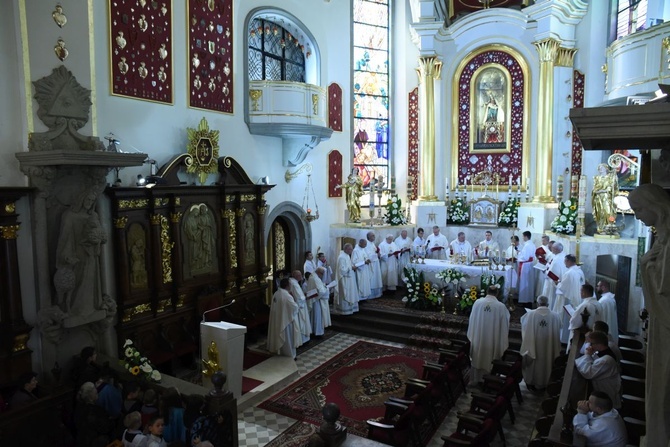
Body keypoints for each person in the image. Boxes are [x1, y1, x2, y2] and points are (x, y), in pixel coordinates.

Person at [628, 183, 670, 446]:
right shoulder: (663, 238)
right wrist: (646, 265)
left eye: (639, 209)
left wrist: (646, 266)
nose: (637, 216)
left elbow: (663, 291)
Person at [55, 190, 107, 319]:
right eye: (87, 200)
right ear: (81, 199)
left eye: (92, 201)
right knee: (78, 281)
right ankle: (74, 308)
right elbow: (65, 238)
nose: (89, 203)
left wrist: (98, 239)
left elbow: (101, 234)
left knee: (90, 280)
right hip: (77, 254)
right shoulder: (69, 215)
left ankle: (91, 306)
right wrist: (66, 256)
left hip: (92, 254)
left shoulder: (93, 215)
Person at [467, 285, 510, 384]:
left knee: (478, 356)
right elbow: (505, 325)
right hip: (492, 341)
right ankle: (489, 380)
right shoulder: (500, 307)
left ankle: (476, 379)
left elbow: (472, 320)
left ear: (487, 291)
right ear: (497, 294)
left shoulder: (477, 303)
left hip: (478, 338)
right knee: (490, 358)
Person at [520, 296, 562, 391]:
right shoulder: (555, 316)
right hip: (549, 347)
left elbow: (523, 324)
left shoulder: (530, 314)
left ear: (538, 303)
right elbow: (560, 326)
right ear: (548, 304)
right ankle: (545, 383)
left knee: (533, 361)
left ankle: (532, 382)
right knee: (547, 363)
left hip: (534, 347)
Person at [573, 331, 622, 409]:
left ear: (598, 344)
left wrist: (587, 355)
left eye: (591, 343)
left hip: (606, 393)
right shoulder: (602, 352)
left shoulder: (606, 360)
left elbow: (588, 373)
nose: (590, 346)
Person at [267, 278, 301, 358]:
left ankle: (280, 351)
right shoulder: (287, 296)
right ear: (287, 286)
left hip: (278, 319)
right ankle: (290, 354)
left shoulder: (276, 293)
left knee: (280, 335)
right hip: (286, 322)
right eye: (290, 284)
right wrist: (297, 303)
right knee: (288, 338)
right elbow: (295, 307)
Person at [554, 254, 585, 343]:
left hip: (568, 299)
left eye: (565, 261)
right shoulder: (579, 271)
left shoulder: (569, 273)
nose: (564, 263)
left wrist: (557, 283)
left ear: (568, 261)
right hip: (577, 298)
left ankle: (563, 339)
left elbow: (562, 287)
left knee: (566, 320)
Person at [74, 382, 115, 447]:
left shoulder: (78, 408)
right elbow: (105, 428)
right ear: (91, 396)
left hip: (82, 441)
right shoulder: (97, 411)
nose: (97, 393)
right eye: (96, 393)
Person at [592, 163, 619, 234]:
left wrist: (604, 190)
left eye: (602, 168)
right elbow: (594, 188)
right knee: (600, 213)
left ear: (606, 168)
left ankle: (610, 227)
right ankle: (601, 228)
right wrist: (598, 191)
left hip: (607, 197)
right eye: (600, 168)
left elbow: (612, 187)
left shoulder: (610, 177)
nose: (601, 169)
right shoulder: (597, 178)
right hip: (598, 198)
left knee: (609, 211)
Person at [334, 243, 360, 315]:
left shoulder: (347, 256)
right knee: (346, 294)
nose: (351, 251)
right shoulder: (342, 257)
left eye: (351, 249)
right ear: (345, 249)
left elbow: (348, 265)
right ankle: (344, 311)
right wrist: (351, 268)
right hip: (344, 280)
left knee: (350, 293)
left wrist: (352, 266)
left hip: (350, 278)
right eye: (350, 249)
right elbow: (342, 270)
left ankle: (350, 309)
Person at [306, 267, 332, 337]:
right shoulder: (315, 278)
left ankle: (315, 331)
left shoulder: (313, 276)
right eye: (322, 274)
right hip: (317, 301)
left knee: (314, 317)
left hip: (315, 300)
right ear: (319, 273)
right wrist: (327, 289)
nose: (322, 276)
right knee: (318, 317)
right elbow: (321, 291)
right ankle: (318, 332)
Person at [289, 270, 312, 344]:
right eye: (300, 275)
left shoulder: (293, 282)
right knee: (302, 323)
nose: (301, 276)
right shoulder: (294, 284)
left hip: (299, 305)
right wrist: (305, 297)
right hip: (300, 307)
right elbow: (299, 298)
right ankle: (303, 340)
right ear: (297, 276)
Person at [541, 242, 566, 311]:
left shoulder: (557, 259)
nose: (551, 250)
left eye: (552, 248)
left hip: (552, 283)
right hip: (559, 281)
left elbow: (551, 274)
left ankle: (548, 310)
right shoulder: (562, 255)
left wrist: (545, 271)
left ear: (556, 249)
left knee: (551, 297)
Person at [517, 231, 536, 308]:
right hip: (529, 265)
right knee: (529, 283)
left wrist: (518, 254)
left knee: (524, 283)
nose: (522, 238)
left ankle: (525, 300)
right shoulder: (532, 244)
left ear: (525, 236)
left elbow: (525, 257)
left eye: (523, 237)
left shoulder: (527, 245)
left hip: (525, 265)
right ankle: (528, 299)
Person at [364, 232, 383, 298]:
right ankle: (371, 295)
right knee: (372, 279)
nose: (374, 237)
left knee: (376, 278)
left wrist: (378, 254)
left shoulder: (372, 244)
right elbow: (367, 254)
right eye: (372, 236)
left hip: (375, 263)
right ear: (368, 237)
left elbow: (374, 251)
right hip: (371, 264)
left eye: (374, 235)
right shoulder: (366, 244)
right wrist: (376, 255)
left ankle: (377, 294)